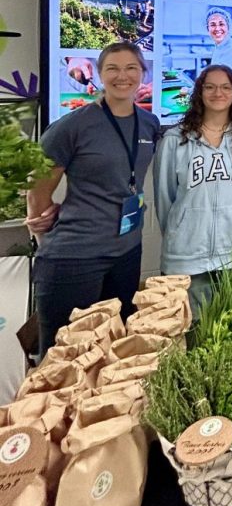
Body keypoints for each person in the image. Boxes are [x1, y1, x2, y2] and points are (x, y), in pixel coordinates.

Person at [26, 42, 162, 358]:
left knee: (113, 347)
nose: (122, 76)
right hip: (75, 257)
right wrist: (41, 232)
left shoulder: (149, 123)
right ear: (99, 74)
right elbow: (38, 188)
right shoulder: (71, 126)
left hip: (127, 252)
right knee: (65, 354)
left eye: (131, 68)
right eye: (112, 68)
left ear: (142, 73)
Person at [153, 65, 232, 318]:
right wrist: (183, 233)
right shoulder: (175, 140)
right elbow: (164, 200)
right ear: (199, 92)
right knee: (189, 335)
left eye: (225, 87)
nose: (217, 93)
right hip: (187, 257)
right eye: (209, 87)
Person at [206, 7, 232, 74]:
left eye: (221, 24)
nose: (217, 28)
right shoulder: (219, 46)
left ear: (228, 27)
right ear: (208, 29)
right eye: (212, 25)